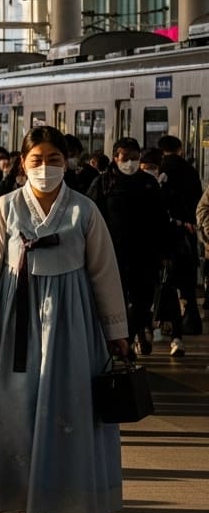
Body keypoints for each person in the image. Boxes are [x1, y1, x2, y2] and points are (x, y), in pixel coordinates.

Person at [0, 126, 130, 513]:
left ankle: (55, 506)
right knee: (17, 408)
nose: (45, 167)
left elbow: (104, 272)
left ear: (67, 162)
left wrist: (115, 330)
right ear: (23, 163)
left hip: (71, 321)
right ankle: (24, 499)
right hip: (14, 319)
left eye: (53, 159)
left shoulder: (84, 211)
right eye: (36, 160)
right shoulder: (5, 207)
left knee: (65, 407)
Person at [86, 137, 175, 356]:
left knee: (142, 302)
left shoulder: (148, 183)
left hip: (145, 254)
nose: (130, 163)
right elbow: (90, 218)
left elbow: (161, 218)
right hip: (112, 254)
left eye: (135, 158)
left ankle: (126, 338)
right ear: (115, 157)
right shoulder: (103, 183)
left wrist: (165, 251)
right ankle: (122, 343)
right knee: (114, 301)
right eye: (125, 158)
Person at [155, 135, 202, 351]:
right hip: (188, 231)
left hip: (166, 232)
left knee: (166, 281)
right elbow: (197, 200)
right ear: (180, 148)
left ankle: (166, 322)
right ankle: (190, 320)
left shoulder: (160, 170)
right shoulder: (190, 170)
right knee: (187, 279)